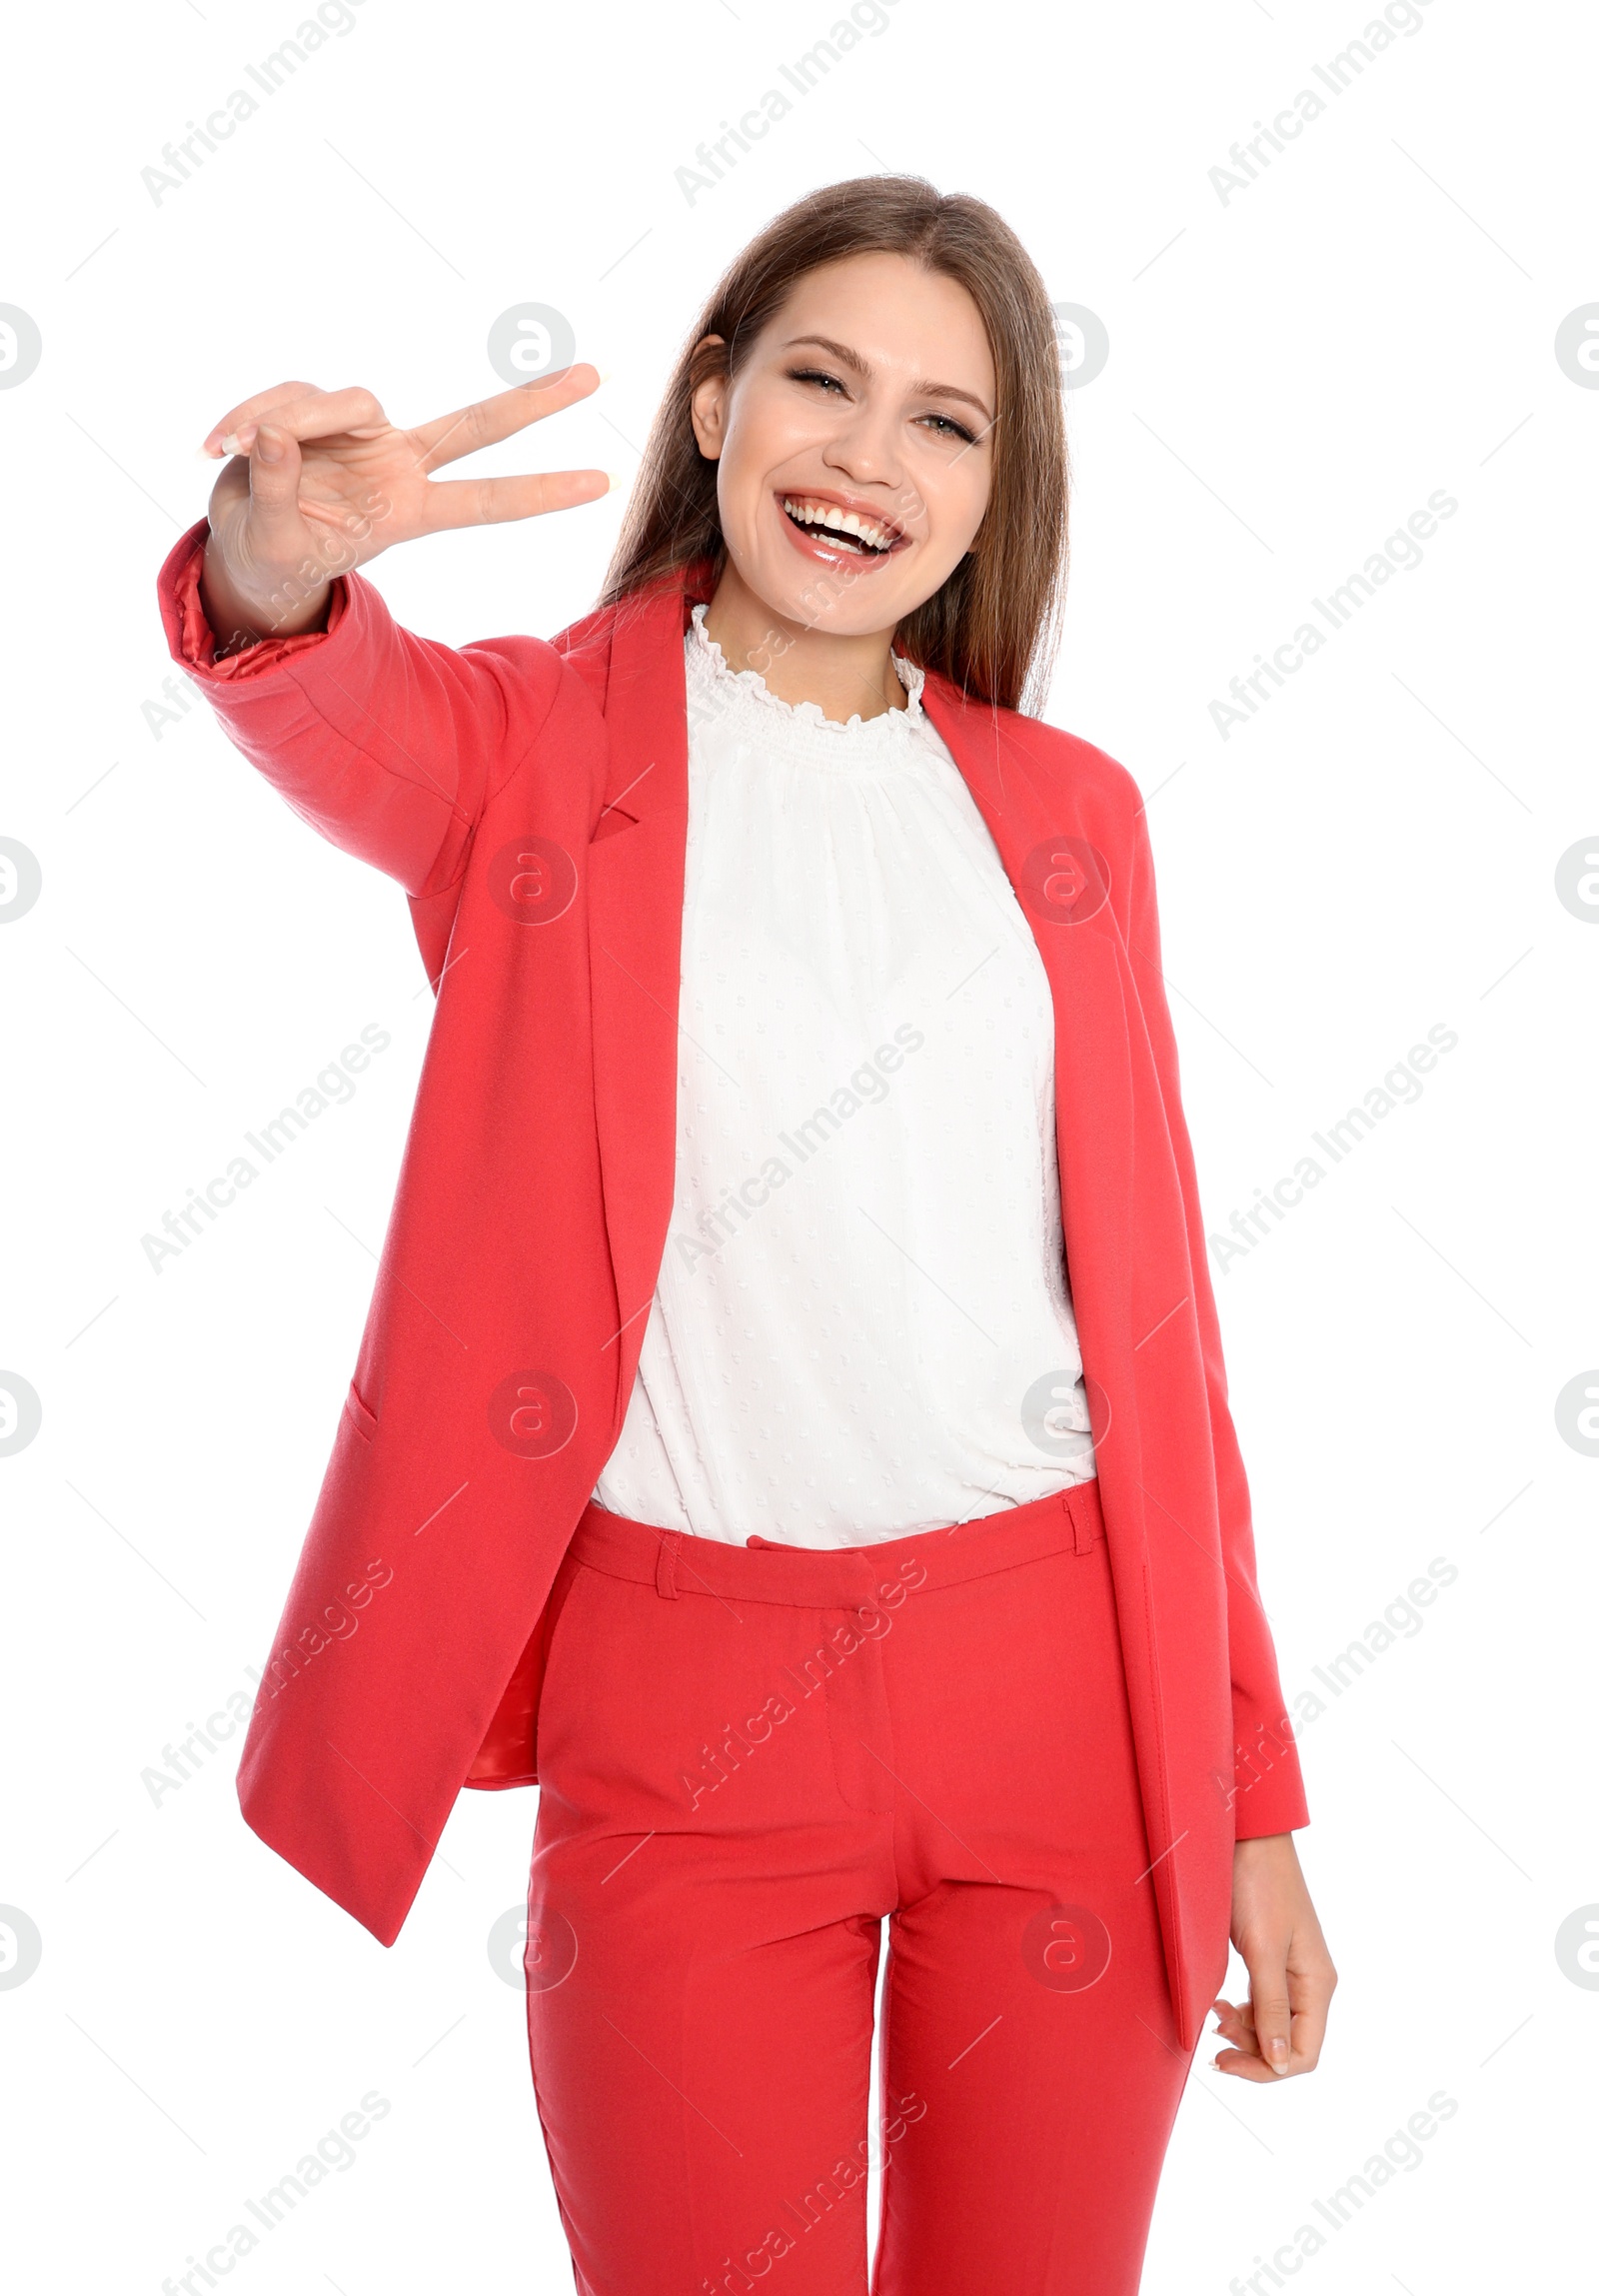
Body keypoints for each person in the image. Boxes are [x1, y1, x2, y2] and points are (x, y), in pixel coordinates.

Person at [157, 174, 1335, 2296]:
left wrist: (1248, 1792)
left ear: (998, 492)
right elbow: (331, 708)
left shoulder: (1072, 826)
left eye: (943, 422)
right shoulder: (531, 751)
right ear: (710, 406)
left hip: (1062, 1690)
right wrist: (274, 565)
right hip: (684, 1721)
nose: (866, 458)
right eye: (817, 380)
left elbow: (1154, 1338)